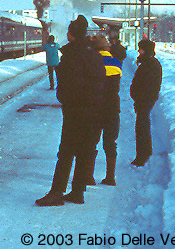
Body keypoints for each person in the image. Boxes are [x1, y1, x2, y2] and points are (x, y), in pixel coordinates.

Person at [35, 15, 105, 206]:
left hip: (76, 110)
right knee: (84, 151)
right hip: (93, 110)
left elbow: (68, 86)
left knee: (66, 152)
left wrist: (64, 100)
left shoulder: (71, 56)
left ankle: (57, 192)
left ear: (71, 34)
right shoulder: (94, 54)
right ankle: (77, 192)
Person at [90, 34, 122, 186]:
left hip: (95, 107)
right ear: (108, 48)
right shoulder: (117, 63)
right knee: (110, 142)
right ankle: (110, 177)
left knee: (91, 142)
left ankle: (88, 176)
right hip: (112, 107)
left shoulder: (91, 62)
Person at [130, 39, 162, 166]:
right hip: (143, 100)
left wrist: (140, 98)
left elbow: (147, 85)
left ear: (146, 50)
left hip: (144, 101)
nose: (139, 51)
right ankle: (144, 154)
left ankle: (142, 156)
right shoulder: (149, 63)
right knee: (142, 127)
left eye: (141, 49)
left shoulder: (150, 64)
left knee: (142, 129)